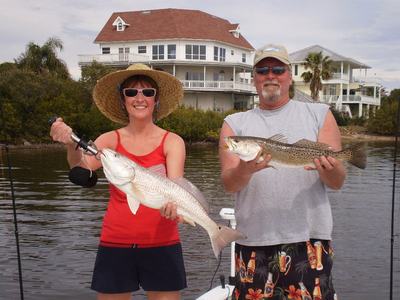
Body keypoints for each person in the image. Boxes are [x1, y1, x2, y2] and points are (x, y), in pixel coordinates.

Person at [219, 44, 345, 300]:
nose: (270, 75)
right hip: (252, 241)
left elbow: (337, 181)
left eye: (278, 69)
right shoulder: (234, 124)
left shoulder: (319, 114)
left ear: (289, 76)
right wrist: (245, 169)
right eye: (262, 70)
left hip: (309, 240)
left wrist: (329, 168)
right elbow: (230, 184)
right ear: (254, 78)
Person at [50, 63, 186, 300]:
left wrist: (175, 209)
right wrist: (70, 144)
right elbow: (80, 171)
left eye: (148, 92)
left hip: (162, 241)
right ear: (123, 100)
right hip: (116, 241)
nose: (140, 98)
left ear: (156, 99)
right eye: (131, 92)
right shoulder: (108, 141)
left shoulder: (172, 141)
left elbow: (176, 186)